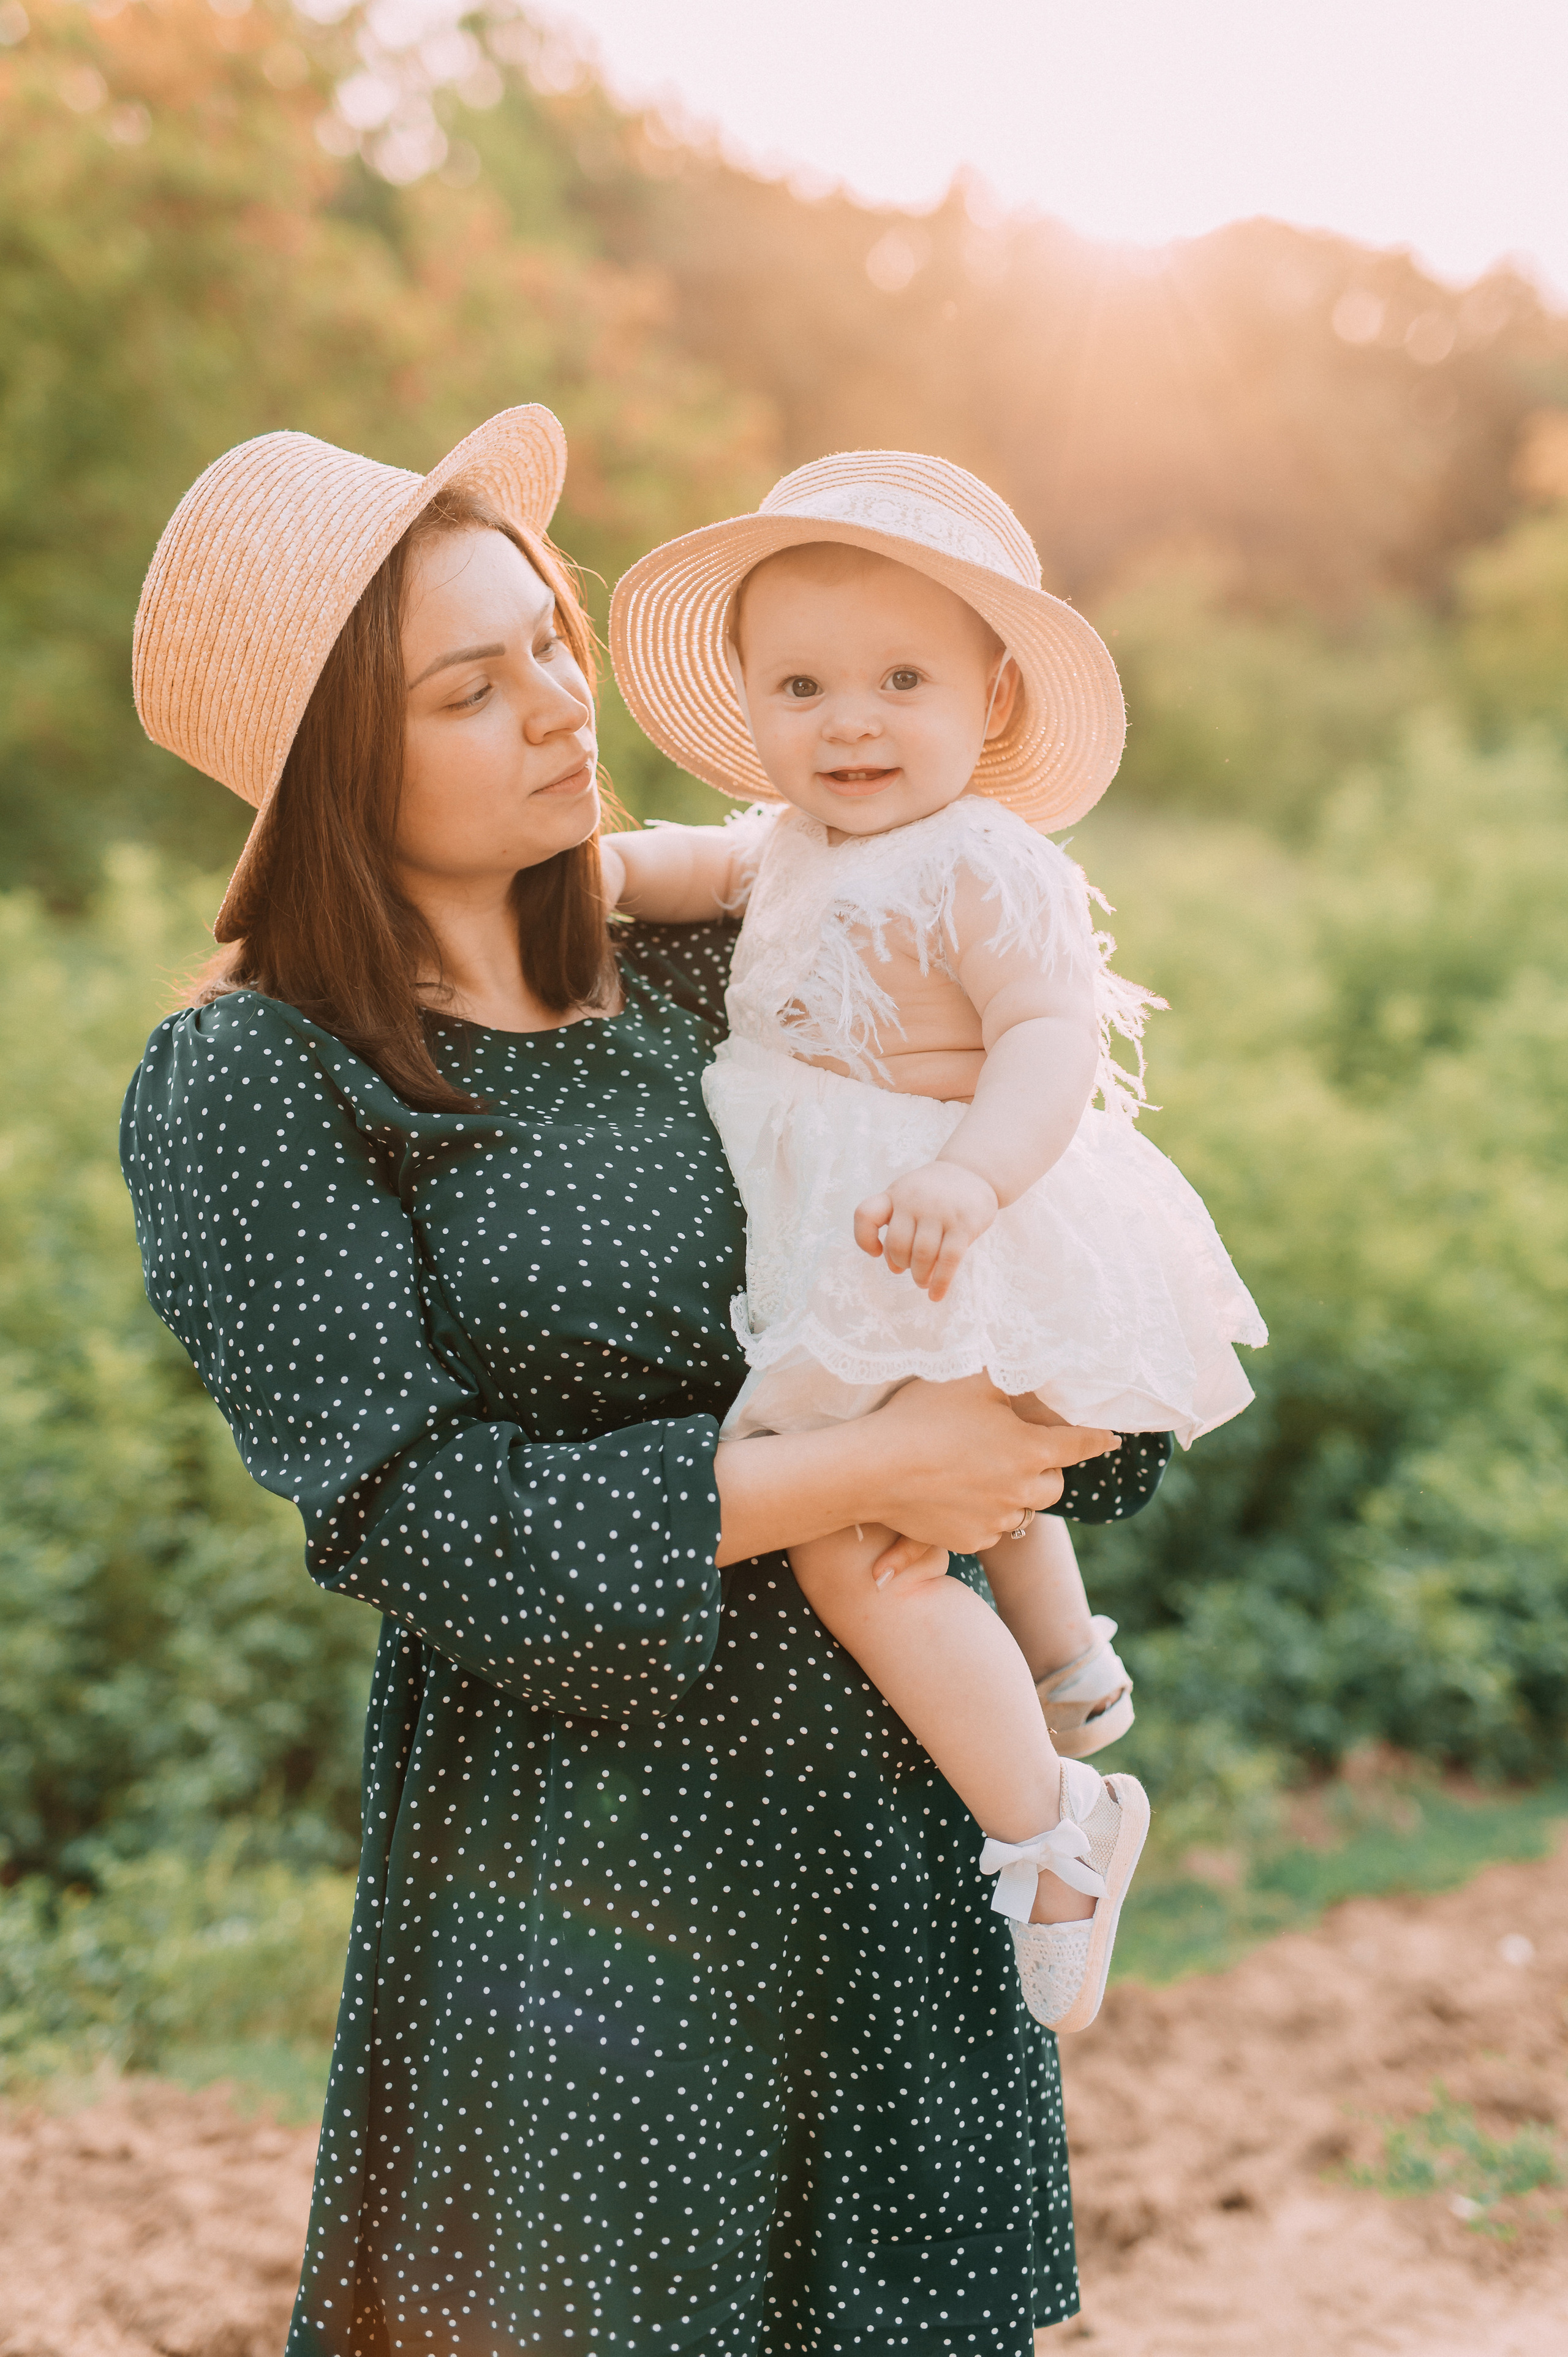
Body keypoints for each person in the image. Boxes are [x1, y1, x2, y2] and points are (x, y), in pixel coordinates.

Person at [121, 409, 1172, 2356]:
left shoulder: (726, 964)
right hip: (585, 1887)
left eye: (548, 639)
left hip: (887, 1839)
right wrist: (874, 1466)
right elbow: (408, 1511)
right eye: (471, 684)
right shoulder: (263, 1082)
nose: (557, 705)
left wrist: (1022, 1430)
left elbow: (1033, 1262)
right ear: (337, 768)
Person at [608, 452, 1266, 2035]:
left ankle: (1052, 1829)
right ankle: (1068, 1657)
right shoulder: (789, 846)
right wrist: (599, 870)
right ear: (755, 708)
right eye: (805, 684)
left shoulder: (984, 859)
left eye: (902, 679)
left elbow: (1047, 1032)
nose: (851, 721)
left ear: (994, 699)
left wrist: (973, 1174)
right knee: (957, 1451)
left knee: (859, 1541)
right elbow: (696, 867)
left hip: (939, 1219)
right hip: (870, 1240)